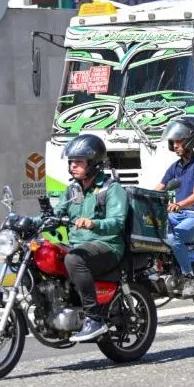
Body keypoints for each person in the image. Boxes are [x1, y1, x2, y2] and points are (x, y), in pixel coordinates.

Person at [54, 134, 128, 342]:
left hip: (108, 245)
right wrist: (25, 221)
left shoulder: (111, 189)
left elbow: (118, 222)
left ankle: (94, 318)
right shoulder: (72, 190)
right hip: (79, 244)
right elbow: (56, 212)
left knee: (74, 259)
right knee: (45, 254)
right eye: (71, 162)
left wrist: (93, 223)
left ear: (94, 163)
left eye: (79, 162)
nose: (73, 167)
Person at [155, 118, 194, 297]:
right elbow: (160, 187)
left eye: (178, 141)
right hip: (179, 214)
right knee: (154, 227)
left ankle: (189, 276)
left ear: (190, 141)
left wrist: (178, 204)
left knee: (175, 236)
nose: (175, 145)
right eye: (173, 142)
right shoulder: (176, 167)